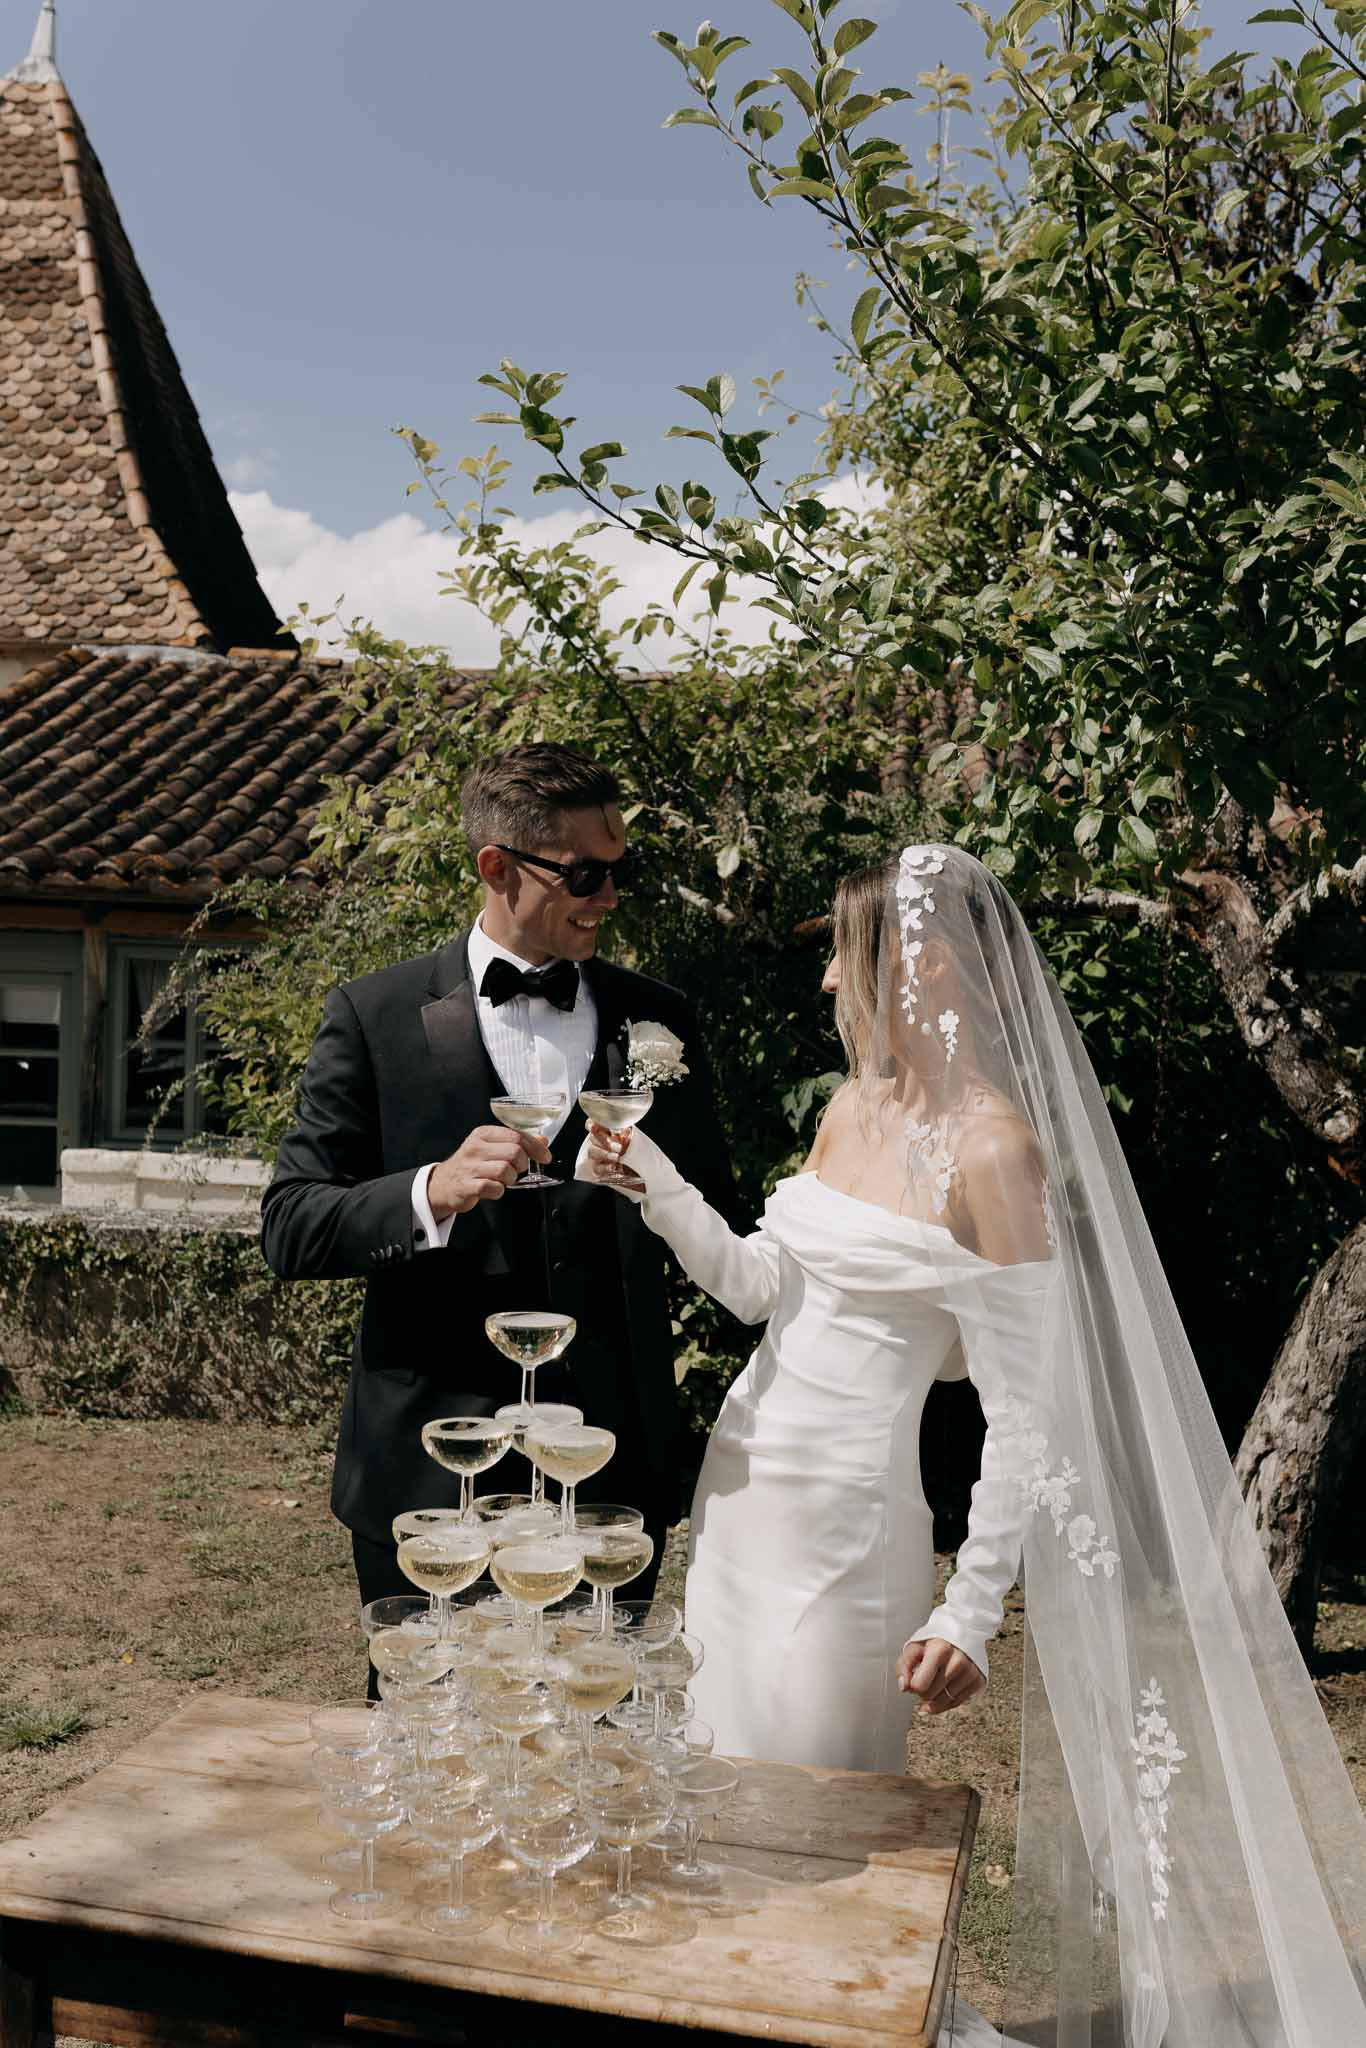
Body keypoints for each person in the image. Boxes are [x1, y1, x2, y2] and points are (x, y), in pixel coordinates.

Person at [584, 845, 1366, 2047]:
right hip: (739, 1504)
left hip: (849, 1536)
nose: (829, 992)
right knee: (722, 1812)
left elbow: (1032, 1406)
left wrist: (967, 1606)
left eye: (845, 964)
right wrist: (657, 1180)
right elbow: (757, 1291)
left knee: (820, 1840)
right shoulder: (852, 1107)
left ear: (920, 962)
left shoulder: (996, 1152)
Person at [261, 743, 733, 1640]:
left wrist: (659, 1191)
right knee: (431, 1735)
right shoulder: (375, 1014)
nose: (610, 896)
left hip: (608, 1462)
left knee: (598, 1741)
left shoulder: (659, 1019)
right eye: (587, 875)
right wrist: (429, 1191)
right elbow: (290, 1225)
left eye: (620, 870)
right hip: (434, 1466)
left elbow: (716, 1206)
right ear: (497, 867)